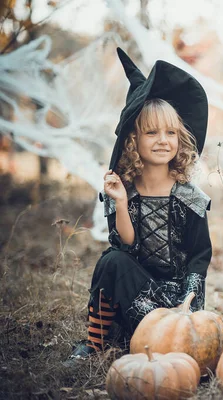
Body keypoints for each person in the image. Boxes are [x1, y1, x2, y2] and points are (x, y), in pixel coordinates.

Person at [66, 48, 212, 362]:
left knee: (168, 332)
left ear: (180, 138)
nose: (163, 140)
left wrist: (185, 307)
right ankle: (95, 344)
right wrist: (120, 202)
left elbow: (199, 258)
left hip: (175, 303)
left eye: (170, 132)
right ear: (133, 140)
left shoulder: (190, 198)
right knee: (111, 259)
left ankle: (151, 338)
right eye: (151, 132)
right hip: (135, 294)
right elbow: (126, 248)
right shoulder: (124, 192)